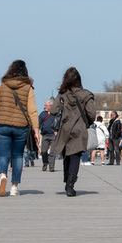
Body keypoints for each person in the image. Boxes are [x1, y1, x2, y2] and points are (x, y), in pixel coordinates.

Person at [0, 60, 39, 197]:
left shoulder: (3, 86)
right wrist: (36, 130)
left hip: (2, 125)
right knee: (17, 156)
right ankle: (14, 187)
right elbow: (32, 111)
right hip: (20, 127)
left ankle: (3, 175)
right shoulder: (28, 88)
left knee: (3, 155)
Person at [51, 67, 96, 196]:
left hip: (65, 128)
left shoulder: (62, 94)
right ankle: (70, 184)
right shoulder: (86, 94)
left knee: (67, 155)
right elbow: (92, 113)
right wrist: (87, 121)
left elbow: (53, 110)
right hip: (79, 128)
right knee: (75, 156)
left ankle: (67, 180)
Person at [38, 98, 57, 172]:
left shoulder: (56, 114)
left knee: (53, 152)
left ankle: (52, 166)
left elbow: (59, 122)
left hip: (53, 135)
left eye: (46, 105)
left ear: (51, 106)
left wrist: (57, 131)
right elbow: (38, 123)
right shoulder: (43, 114)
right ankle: (45, 163)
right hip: (45, 135)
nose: (44, 107)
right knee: (43, 151)